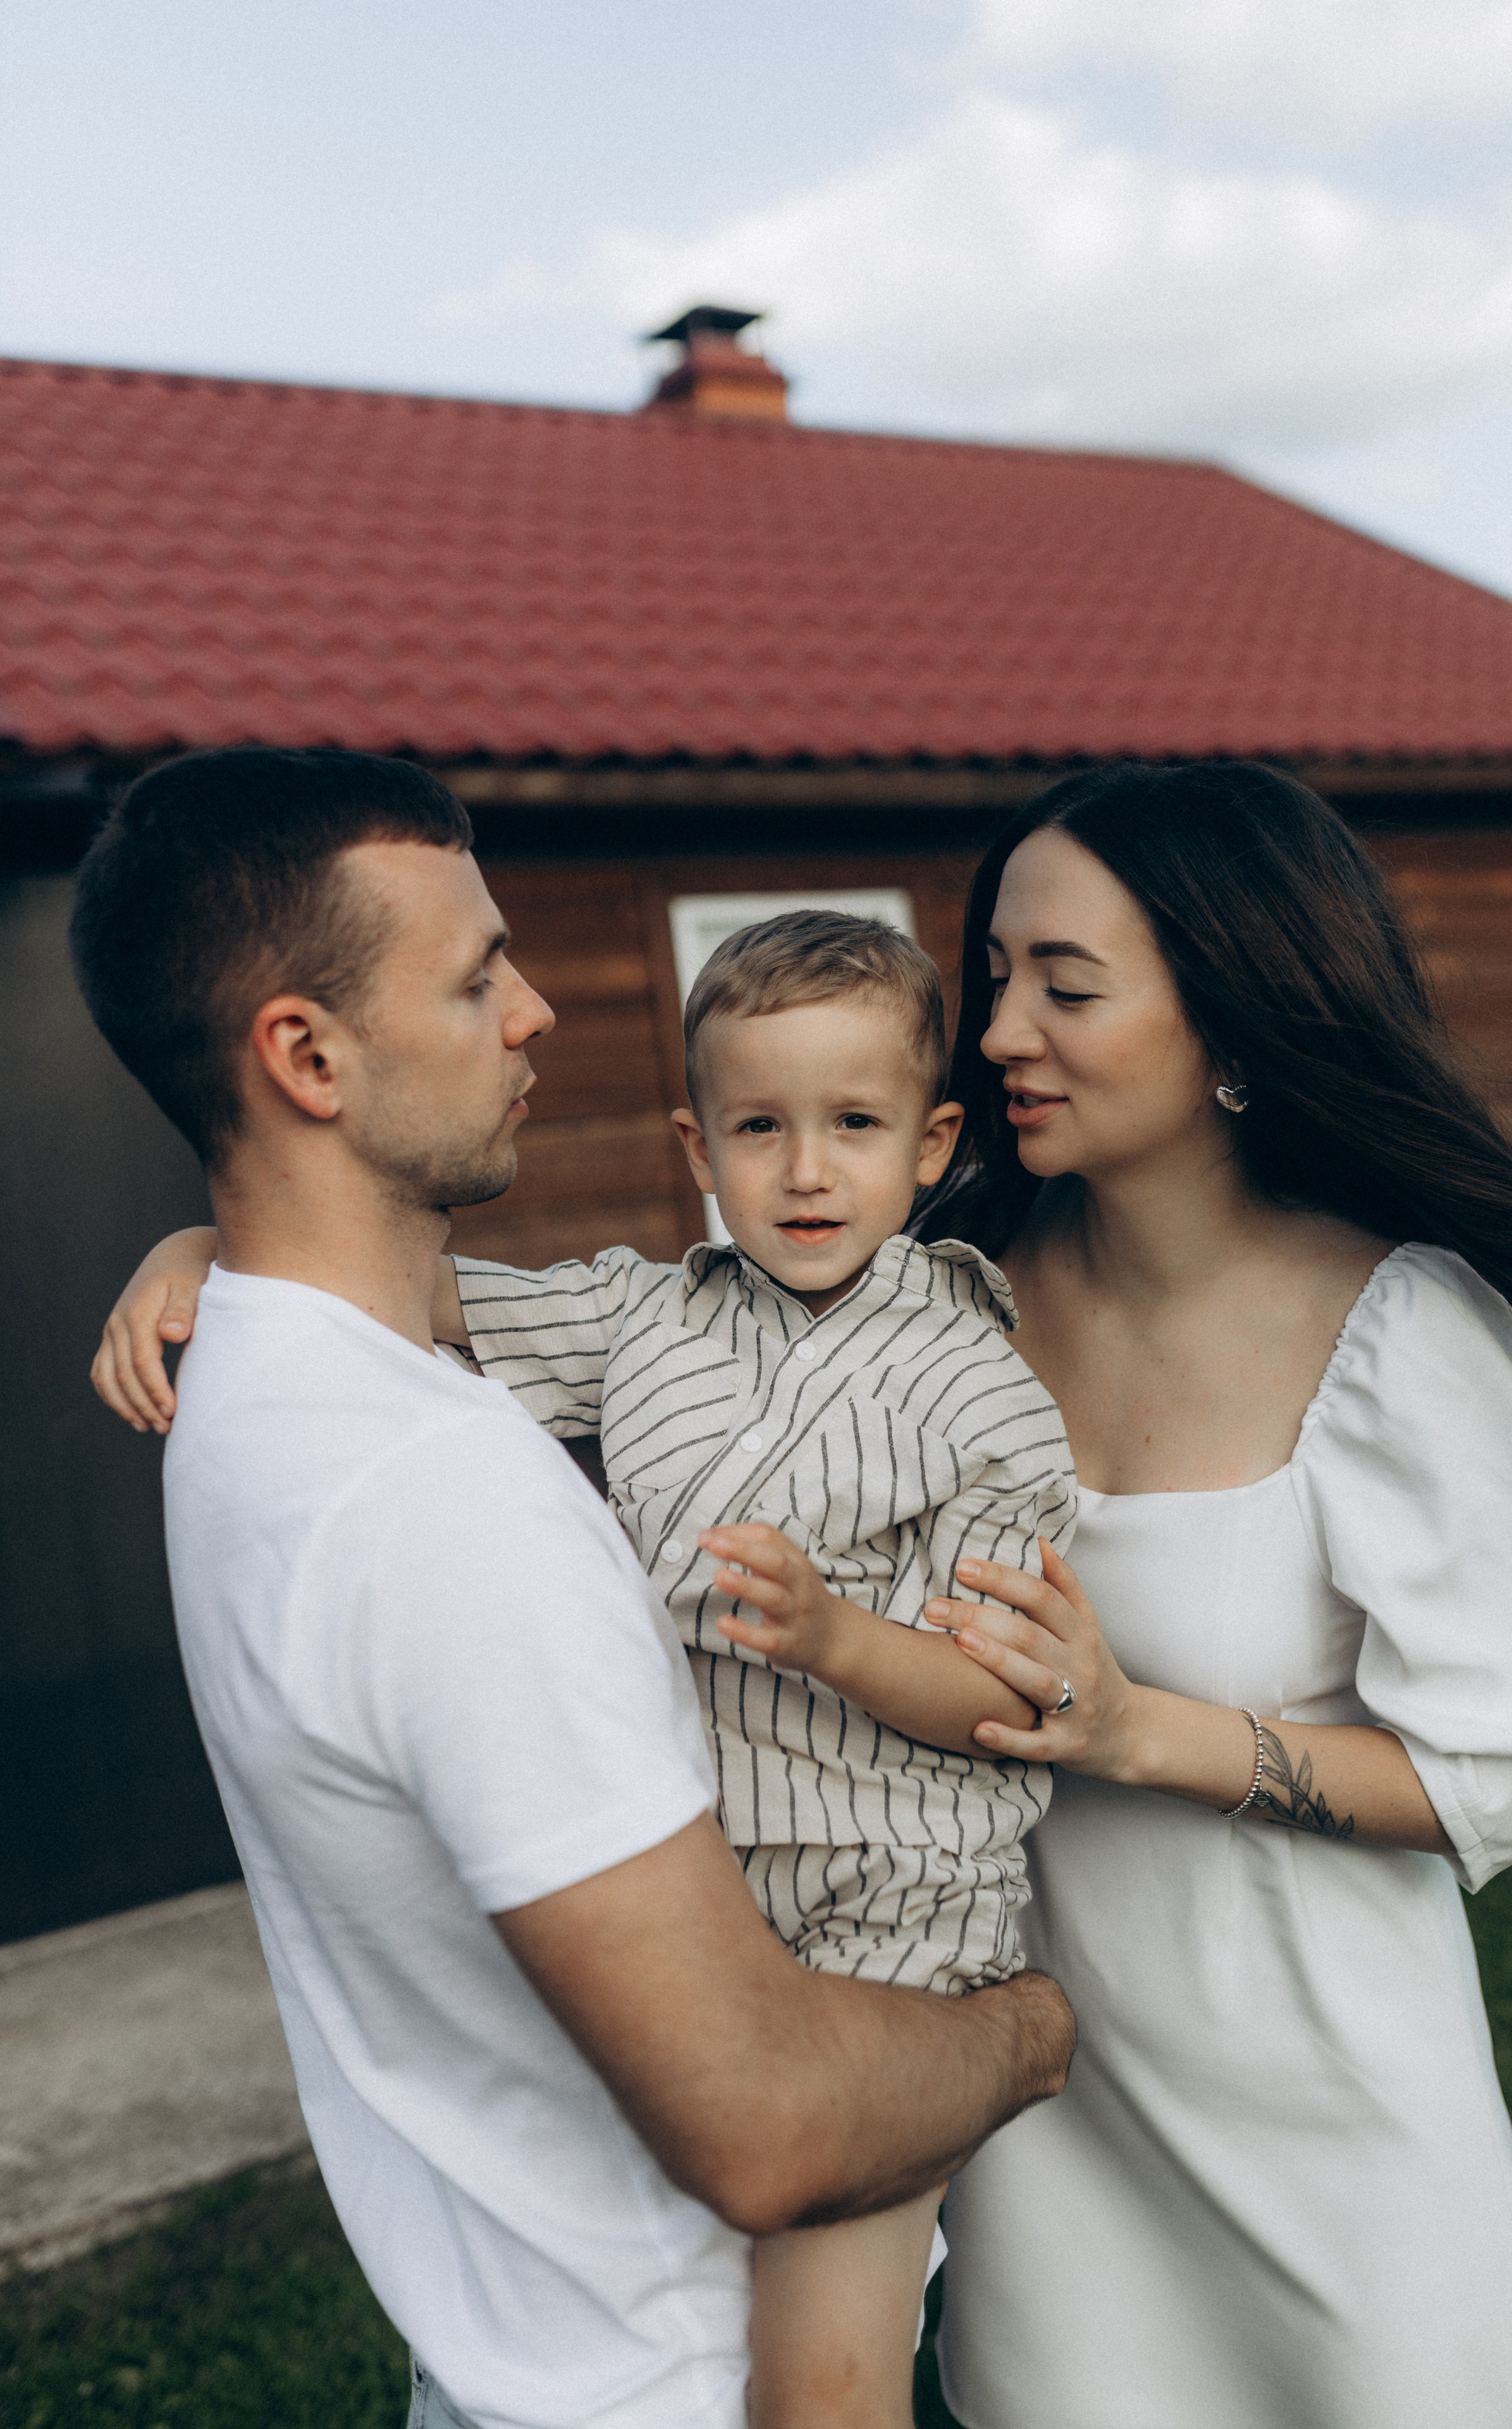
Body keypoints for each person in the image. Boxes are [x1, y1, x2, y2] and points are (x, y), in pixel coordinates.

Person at [70, 746, 1075, 2429]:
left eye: (854, 1123)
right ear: (306, 1057)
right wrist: (1035, 2030)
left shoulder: (246, 1385)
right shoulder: (446, 1492)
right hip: (653, 2381)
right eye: (477, 978)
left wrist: (197, 1250)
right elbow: (772, 2121)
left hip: (516, 2344)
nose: (535, 1010)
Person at [911, 758, 1512, 2429]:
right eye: (996, 977)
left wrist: (1142, 1733)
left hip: (1336, 2146)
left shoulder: (1402, 1333)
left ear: (1231, 1019)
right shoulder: (938, 1303)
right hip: (1041, 2134)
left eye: (1066, 984)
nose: (1002, 1031)